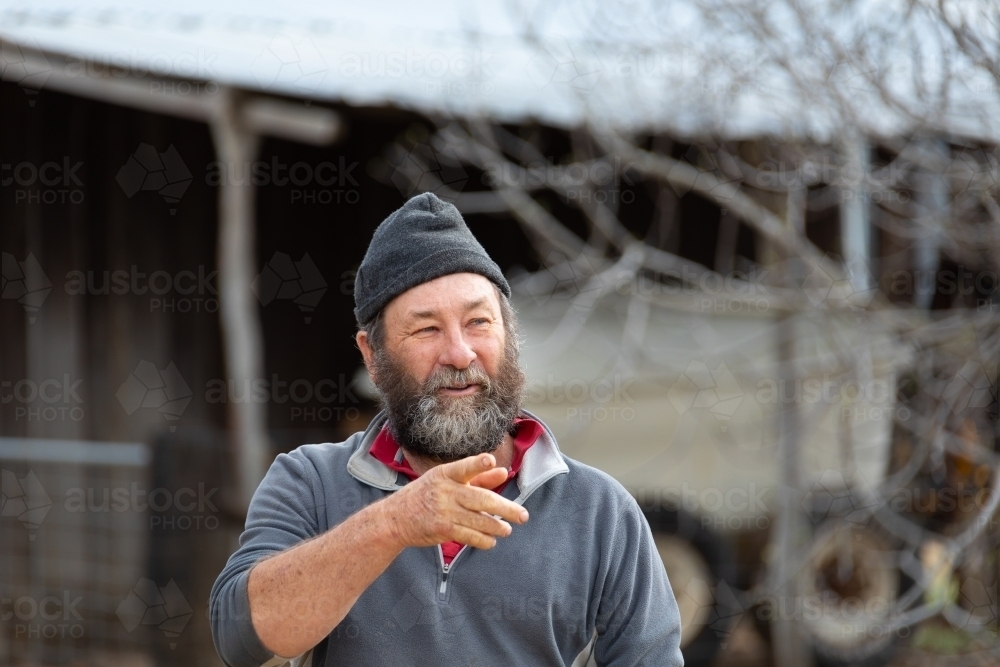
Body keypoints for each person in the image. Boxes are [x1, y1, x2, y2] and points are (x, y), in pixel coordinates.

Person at [210, 192, 684, 667]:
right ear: (372, 356)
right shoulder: (310, 482)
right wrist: (392, 524)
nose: (459, 354)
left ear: (509, 337)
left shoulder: (600, 510)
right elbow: (241, 639)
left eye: (478, 322)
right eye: (426, 329)